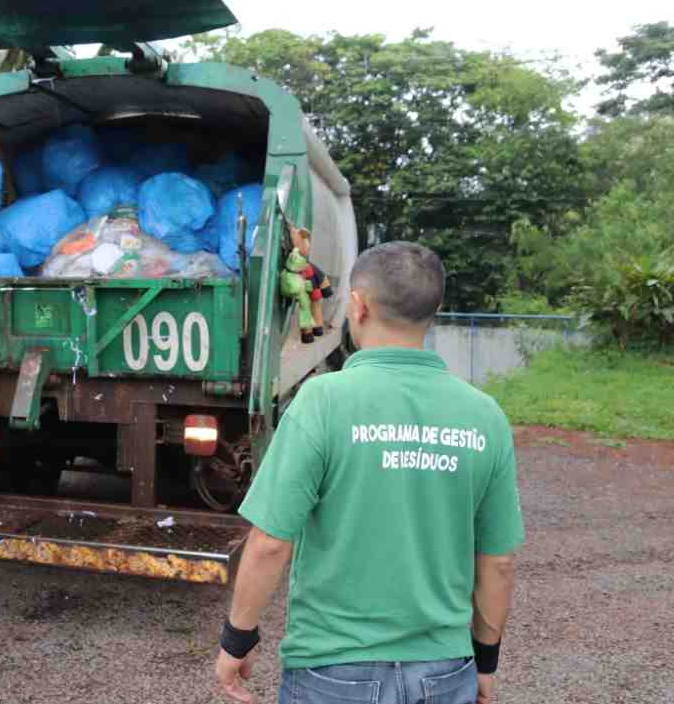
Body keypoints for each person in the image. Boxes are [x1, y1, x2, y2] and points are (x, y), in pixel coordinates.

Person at [214, 241, 523, 704]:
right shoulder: (485, 416)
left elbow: (271, 543)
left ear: (357, 306)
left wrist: (237, 640)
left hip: (330, 673)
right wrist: (486, 663)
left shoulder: (322, 402)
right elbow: (497, 562)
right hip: (443, 673)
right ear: (433, 311)